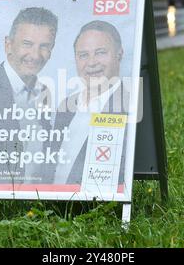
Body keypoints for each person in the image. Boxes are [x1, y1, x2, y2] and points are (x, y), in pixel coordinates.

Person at [0, 7, 58, 186]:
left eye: (44, 46)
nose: (35, 55)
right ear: (8, 44)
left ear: (52, 49)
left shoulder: (44, 92)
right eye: (27, 43)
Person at [49, 20, 129, 186]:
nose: (91, 63)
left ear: (119, 54)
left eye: (100, 52)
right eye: (83, 55)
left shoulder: (130, 106)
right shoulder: (66, 106)